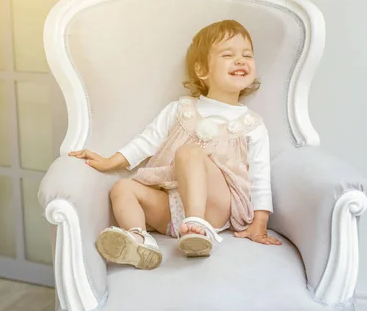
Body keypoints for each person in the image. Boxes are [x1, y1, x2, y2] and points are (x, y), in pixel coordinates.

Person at [69, 19, 281, 270]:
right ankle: (139, 240)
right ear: (202, 70)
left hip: (217, 207)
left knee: (189, 153)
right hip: (172, 209)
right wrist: (109, 162)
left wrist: (260, 222)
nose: (240, 60)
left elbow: (260, 176)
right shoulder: (181, 110)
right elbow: (146, 142)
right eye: (228, 54)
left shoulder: (251, 124)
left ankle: (199, 228)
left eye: (247, 55)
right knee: (122, 187)